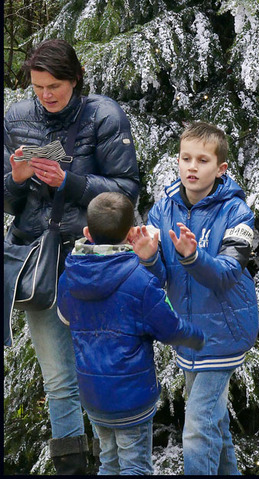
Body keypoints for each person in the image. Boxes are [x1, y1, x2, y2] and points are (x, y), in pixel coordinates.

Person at [4, 39, 140, 475]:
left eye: (55, 85)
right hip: (40, 260)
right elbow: (8, 203)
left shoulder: (103, 114)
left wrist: (70, 181)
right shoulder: (15, 117)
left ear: (75, 79)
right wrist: (17, 178)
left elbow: (127, 192)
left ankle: (113, 466)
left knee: (100, 372)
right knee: (59, 380)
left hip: (93, 259)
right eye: (38, 86)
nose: (46, 94)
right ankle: (71, 469)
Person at [57, 191, 205, 476]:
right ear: (130, 235)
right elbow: (169, 328)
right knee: (135, 466)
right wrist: (197, 336)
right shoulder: (140, 281)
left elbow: (65, 317)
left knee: (109, 463)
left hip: (93, 394)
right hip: (132, 398)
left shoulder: (70, 275)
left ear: (87, 232)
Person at [141, 120, 259, 475]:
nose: (192, 167)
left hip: (225, 332)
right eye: (185, 158)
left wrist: (192, 257)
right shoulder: (162, 211)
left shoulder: (237, 213)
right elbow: (159, 278)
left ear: (220, 168)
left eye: (202, 160)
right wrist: (148, 256)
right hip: (189, 333)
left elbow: (225, 275)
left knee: (197, 430)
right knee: (213, 424)